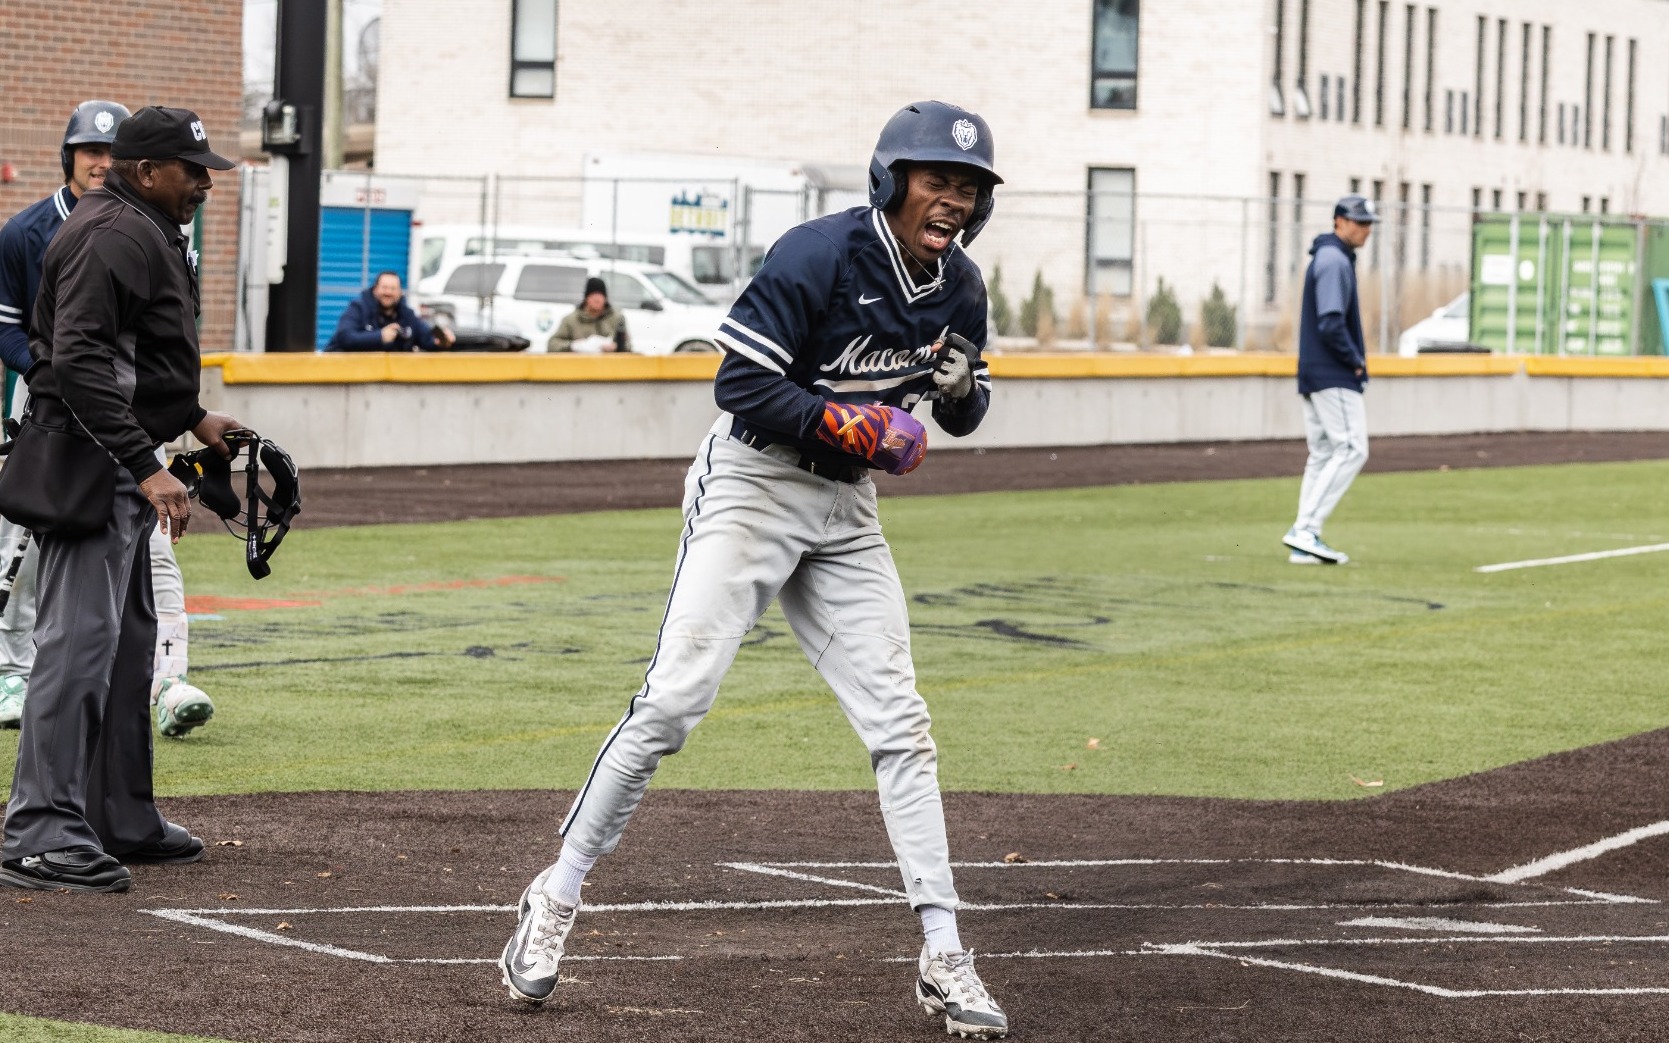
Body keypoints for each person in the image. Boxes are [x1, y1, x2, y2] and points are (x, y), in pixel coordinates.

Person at [499, 101, 1009, 1040]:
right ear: (892, 180)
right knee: (673, 701)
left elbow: (965, 411)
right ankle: (555, 891)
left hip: (846, 511)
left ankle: (943, 951)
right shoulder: (817, 253)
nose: (954, 199)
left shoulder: (961, 286)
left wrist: (960, 389)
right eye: (938, 179)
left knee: (902, 723)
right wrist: (844, 420)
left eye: (969, 187)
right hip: (751, 484)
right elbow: (739, 385)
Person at [0, 106, 246, 894]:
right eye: (192, 168)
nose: (205, 182)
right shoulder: (113, 233)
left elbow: (136, 358)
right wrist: (146, 462)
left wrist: (195, 419)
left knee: (128, 640)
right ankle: (39, 829)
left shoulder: (141, 225)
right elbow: (76, 364)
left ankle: (114, 813)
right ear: (145, 171)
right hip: (91, 465)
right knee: (77, 642)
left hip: (120, 461)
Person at [1283, 194, 1376, 566]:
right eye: (1359, 221)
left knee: (1323, 453)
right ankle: (1305, 530)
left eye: (1368, 222)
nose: (1366, 228)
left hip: (1315, 370)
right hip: (1331, 372)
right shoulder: (1334, 259)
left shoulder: (1330, 257)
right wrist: (1353, 361)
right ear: (1339, 221)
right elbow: (1331, 321)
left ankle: (1304, 539)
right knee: (1352, 449)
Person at [325, 270, 454, 351]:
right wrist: (380, 337)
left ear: (399, 292)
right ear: (375, 289)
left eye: (393, 288)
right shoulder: (358, 308)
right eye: (384, 287)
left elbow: (427, 339)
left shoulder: (407, 315)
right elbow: (345, 337)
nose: (388, 292)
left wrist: (442, 342)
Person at [545, 276, 629, 353]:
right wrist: (574, 346)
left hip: (609, 367)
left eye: (601, 295)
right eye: (593, 295)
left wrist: (617, 347)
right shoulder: (571, 320)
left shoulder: (617, 318)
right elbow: (552, 345)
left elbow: (628, 347)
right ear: (586, 298)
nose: (597, 299)